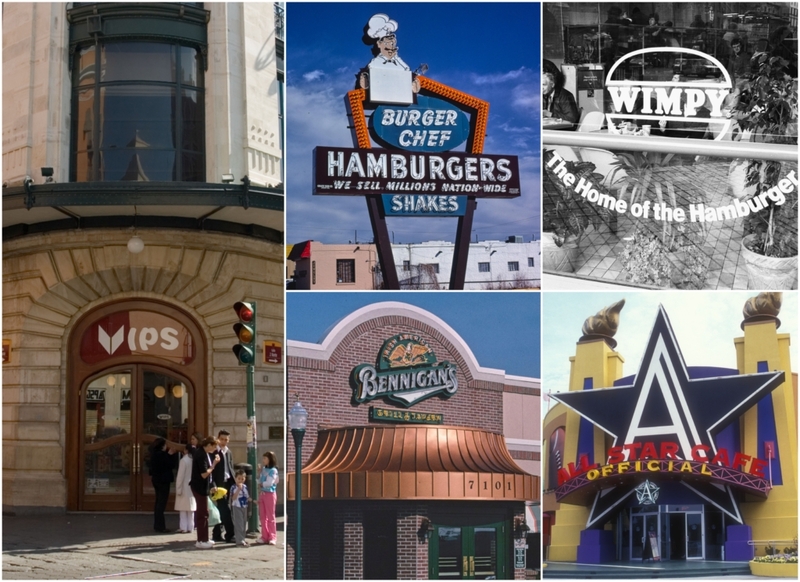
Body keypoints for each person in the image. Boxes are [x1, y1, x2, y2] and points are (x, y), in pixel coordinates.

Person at [190, 436, 221, 549]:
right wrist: (214, 464)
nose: (215, 449)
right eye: (214, 446)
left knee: (204, 513)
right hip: (199, 487)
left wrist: (211, 485)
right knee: (203, 514)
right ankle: (201, 540)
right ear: (208, 445)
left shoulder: (204, 453)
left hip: (202, 487)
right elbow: (204, 474)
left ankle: (205, 538)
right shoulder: (201, 454)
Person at [148, 437, 178, 533]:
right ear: (162, 446)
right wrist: (170, 455)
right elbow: (170, 465)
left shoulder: (154, 454)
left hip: (156, 480)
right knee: (161, 503)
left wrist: (168, 455)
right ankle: (160, 526)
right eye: (165, 445)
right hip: (163, 481)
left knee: (158, 502)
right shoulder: (161, 455)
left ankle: (158, 525)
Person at [211, 429, 236, 543]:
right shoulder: (214, 452)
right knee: (225, 510)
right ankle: (230, 534)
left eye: (226, 440)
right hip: (218, 485)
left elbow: (230, 468)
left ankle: (216, 533)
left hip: (228, 483)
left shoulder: (228, 452)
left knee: (222, 509)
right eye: (221, 439)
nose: (223, 442)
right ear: (218, 439)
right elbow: (212, 470)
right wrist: (213, 485)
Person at [256, 451, 279, 545]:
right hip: (262, 494)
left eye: (265, 458)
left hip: (270, 494)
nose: (263, 460)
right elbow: (259, 480)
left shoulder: (273, 470)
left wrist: (262, 483)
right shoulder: (264, 469)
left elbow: (269, 482)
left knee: (270, 516)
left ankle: (272, 536)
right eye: (263, 458)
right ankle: (264, 536)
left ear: (270, 459)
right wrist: (259, 474)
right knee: (262, 517)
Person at [175, 444, 196, 534]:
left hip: (184, 485)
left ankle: (183, 527)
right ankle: (191, 526)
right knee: (191, 509)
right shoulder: (194, 460)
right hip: (192, 486)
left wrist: (178, 488)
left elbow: (180, 476)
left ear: (186, 450)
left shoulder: (184, 460)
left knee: (183, 509)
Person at [229, 469, 250, 547]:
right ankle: (239, 541)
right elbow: (233, 498)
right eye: (239, 478)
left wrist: (252, 500)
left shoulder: (245, 487)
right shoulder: (233, 487)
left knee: (244, 523)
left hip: (244, 506)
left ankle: (242, 539)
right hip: (236, 506)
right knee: (239, 524)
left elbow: (247, 497)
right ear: (235, 478)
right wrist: (238, 489)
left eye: (242, 478)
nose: (241, 480)